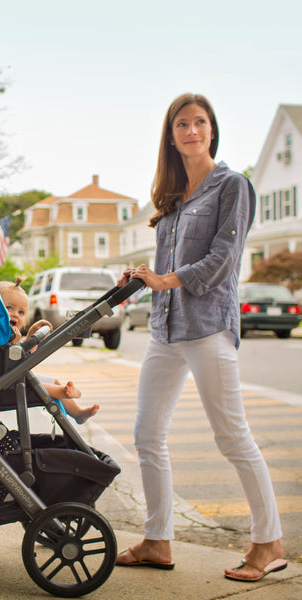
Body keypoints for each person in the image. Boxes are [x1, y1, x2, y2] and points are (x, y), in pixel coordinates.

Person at [114, 93, 286, 582]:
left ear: (212, 131)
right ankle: (157, 540)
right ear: (171, 136)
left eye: (200, 122)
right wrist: (143, 277)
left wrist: (167, 279)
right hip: (165, 330)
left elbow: (222, 261)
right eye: (182, 124)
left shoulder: (233, 186)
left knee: (232, 436)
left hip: (208, 326)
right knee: (148, 435)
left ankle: (269, 542)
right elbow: (166, 269)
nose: (192, 130)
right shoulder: (170, 200)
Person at [0, 279, 99, 424]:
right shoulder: (0, 334)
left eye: (21, 312)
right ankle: (62, 392)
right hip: (7, 382)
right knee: (39, 384)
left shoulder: (10, 333)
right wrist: (15, 342)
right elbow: (16, 360)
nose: (16, 315)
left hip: (13, 376)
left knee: (53, 381)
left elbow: (25, 356)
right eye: (9, 308)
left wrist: (31, 336)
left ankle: (77, 413)